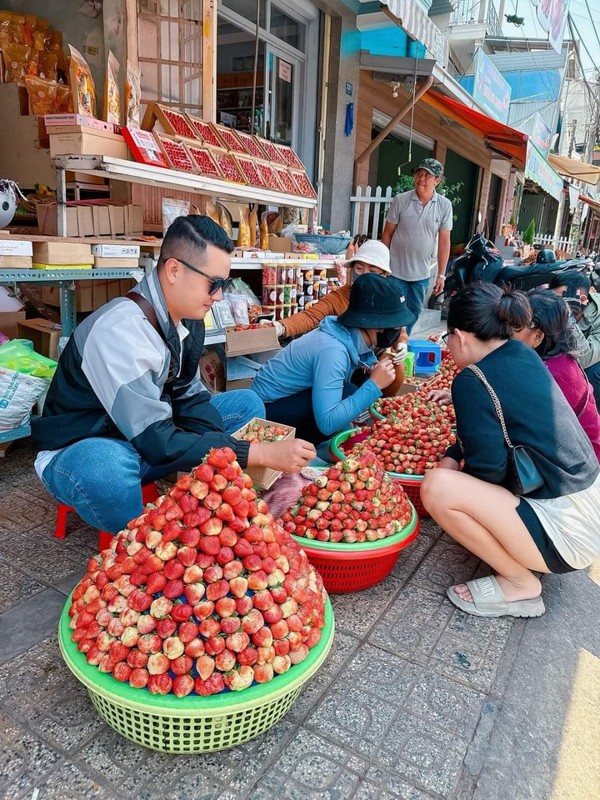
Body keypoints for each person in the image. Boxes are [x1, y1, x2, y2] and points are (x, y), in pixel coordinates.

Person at [32, 215, 316, 535]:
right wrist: (256, 453)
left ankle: (207, 504)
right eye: (215, 283)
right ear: (174, 270)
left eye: (224, 283)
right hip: (88, 448)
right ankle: (143, 543)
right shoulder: (119, 330)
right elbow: (156, 440)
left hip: (144, 439)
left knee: (247, 404)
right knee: (106, 468)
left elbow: (188, 396)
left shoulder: (187, 320)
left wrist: (222, 461)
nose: (219, 296)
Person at [421, 282, 600, 619]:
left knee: (437, 487)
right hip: (586, 511)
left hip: (567, 534)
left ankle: (520, 584)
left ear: (458, 336)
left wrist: (447, 466)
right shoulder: (523, 355)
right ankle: (524, 557)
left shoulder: (472, 379)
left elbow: (486, 471)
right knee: (448, 480)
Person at [251, 273, 415, 444]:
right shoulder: (333, 350)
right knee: (349, 392)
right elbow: (327, 423)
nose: (397, 332)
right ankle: (301, 445)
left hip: (282, 402)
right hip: (264, 416)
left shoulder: (346, 337)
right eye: (396, 326)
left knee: (351, 388)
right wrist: (374, 385)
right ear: (376, 326)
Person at [273, 240, 408, 395]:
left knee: (396, 369)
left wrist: (402, 344)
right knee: (345, 390)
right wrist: (280, 327)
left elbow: (399, 328)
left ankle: (379, 408)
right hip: (345, 362)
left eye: (372, 270)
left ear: (384, 275)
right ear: (352, 270)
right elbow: (310, 316)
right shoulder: (340, 297)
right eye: (359, 268)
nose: (364, 275)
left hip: (373, 358)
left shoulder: (388, 297)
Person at [512, 289, 600, 462]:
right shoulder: (553, 357)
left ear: (537, 336)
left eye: (516, 326)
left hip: (581, 459)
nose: (507, 332)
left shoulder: (553, 373)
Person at [381, 158, 453, 333]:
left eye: (427, 175)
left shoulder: (444, 205)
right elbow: (387, 233)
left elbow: (444, 242)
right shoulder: (401, 200)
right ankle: (389, 347)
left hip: (421, 273)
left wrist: (441, 275)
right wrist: (383, 265)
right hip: (396, 271)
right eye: (419, 174)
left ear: (437, 180)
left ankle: (402, 344)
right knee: (394, 313)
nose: (421, 178)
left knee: (413, 313)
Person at [549, 270, 600, 407]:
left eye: (560, 301)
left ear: (582, 299)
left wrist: (568, 319)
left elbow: (585, 358)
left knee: (595, 371)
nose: (555, 305)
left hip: (591, 363)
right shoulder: (550, 303)